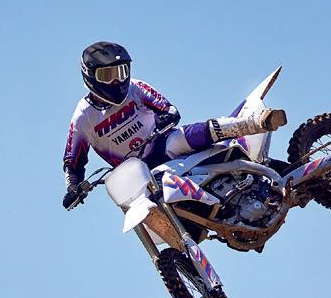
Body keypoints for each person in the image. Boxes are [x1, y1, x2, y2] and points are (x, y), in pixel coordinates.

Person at [62, 41, 285, 209]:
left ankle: (255, 122)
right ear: (90, 76)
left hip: (163, 145)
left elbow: (169, 109)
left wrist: (166, 117)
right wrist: (73, 188)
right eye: (107, 75)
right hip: (137, 173)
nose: (116, 81)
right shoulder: (83, 117)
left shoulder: (136, 88)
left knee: (183, 136)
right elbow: (72, 162)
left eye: (121, 72)